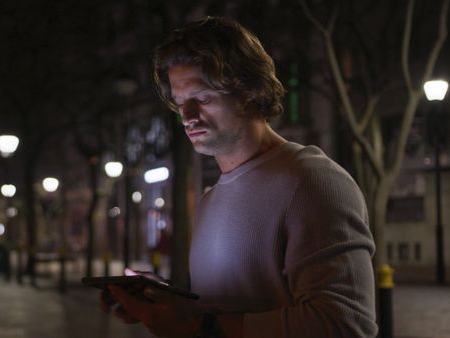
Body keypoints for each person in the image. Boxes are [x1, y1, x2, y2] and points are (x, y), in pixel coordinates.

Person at [100, 16, 377, 338]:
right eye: (179, 104)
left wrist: (196, 326)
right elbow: (228, 307)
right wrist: (164, 303)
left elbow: (345, 324)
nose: (187, 118)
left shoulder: (312, 181)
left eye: (202, 99)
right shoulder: (211, 198)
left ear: (248, 91)